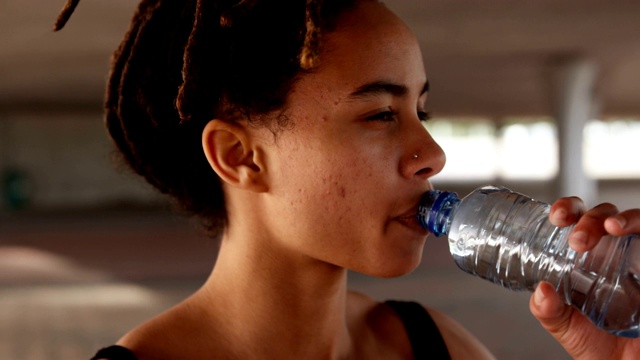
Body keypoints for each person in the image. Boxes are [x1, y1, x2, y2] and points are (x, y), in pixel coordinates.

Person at [53, 0, 640, 359]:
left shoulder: (432, 345)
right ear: (240, 157)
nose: (431, 154)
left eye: (421, 113)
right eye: (381, 114)